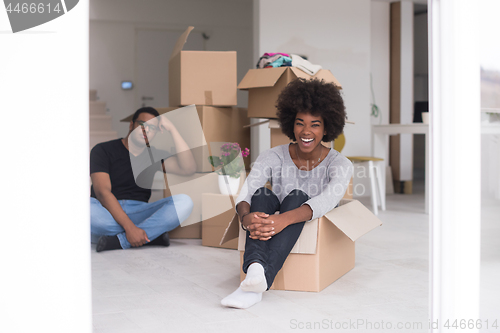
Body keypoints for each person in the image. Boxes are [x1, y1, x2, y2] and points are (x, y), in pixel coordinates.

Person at [221, 78, 353, 308]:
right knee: (261, 193)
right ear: (291, 124)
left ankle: (256, 278)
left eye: (315, 124)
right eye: (300, 123)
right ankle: (255, 272)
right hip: (273, 216)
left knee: (298, 196)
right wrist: (246, 217)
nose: (306, 131)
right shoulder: (274, 155)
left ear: (327, 128)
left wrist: (283, 219)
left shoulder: (340, 164)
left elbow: (328, 200)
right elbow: (247, 191)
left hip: (295, 216)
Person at [90, 107, 196, 252]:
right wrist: (130, 227)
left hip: (139, 211)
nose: (146, 130)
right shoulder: (102, 150)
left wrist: (172, 129)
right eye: (142, 124)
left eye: (152, 127)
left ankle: (119, 240)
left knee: (185, 202)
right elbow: (102, 192)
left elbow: (188, 168)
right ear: (131, 125)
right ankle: (150, 235)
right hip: (106, 210)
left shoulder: (154, 155)